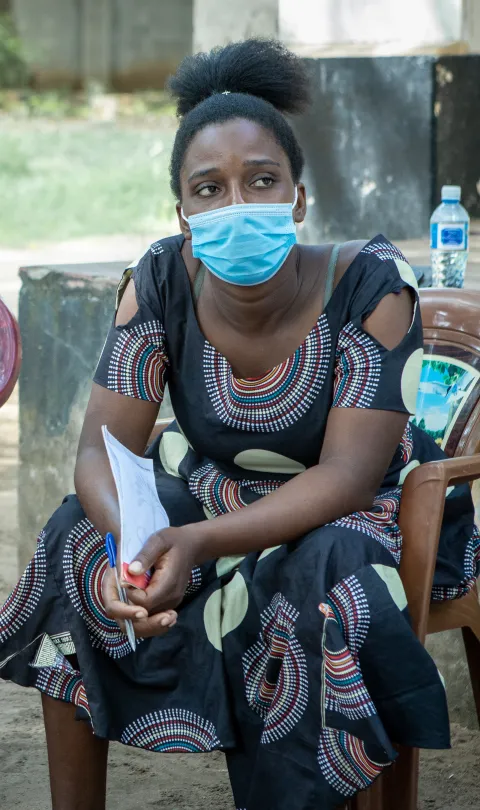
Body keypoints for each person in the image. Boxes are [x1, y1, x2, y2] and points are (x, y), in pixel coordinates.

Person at [0, 39, 479, 810]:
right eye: (209, 189)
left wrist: (194, 544)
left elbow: (350, 475)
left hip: (360, 508)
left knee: (327, 574)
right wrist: (136, 543)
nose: (236, 206)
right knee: (72, 536)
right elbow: (101, 444)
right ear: (183, 213)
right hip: (215, 494)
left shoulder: (370, 283)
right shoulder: (160, 278)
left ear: (297, 198)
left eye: (261, 182)